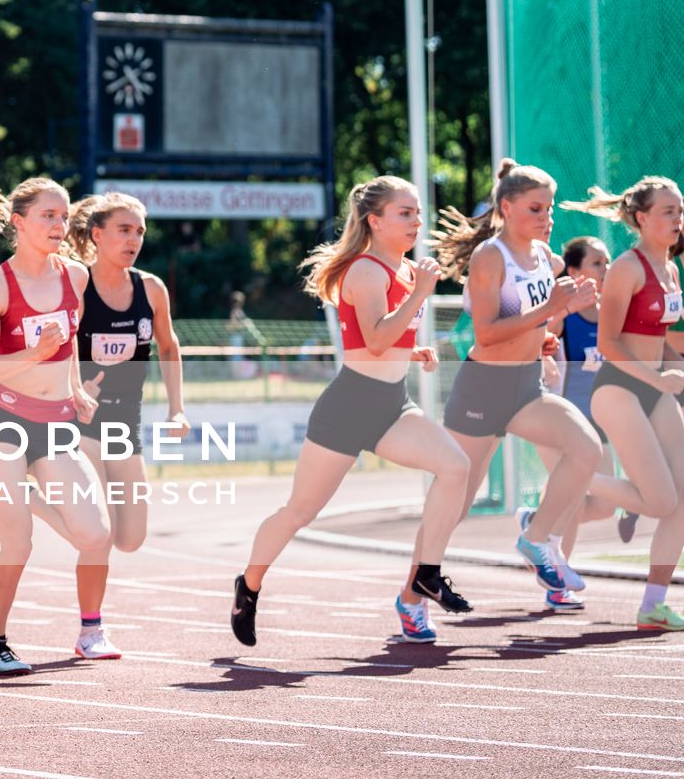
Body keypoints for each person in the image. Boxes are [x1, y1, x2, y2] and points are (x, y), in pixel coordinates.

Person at [231, 176, 472, 648]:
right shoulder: (367, 271)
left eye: (418, 212)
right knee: (300, 511)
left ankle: (426, 573)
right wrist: (422, 294)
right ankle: (249, 586)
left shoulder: (402, 270)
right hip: (348, 407)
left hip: (391, 405)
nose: (416, 221)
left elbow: (386, 341)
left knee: (455, 467)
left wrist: (414, 350)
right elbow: (377, 337)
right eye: (405, 213)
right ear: (374, 221)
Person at [429, 161, 605, 597]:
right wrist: (550, 311)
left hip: (528, 385)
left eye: (549, 209)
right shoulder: (491, 256)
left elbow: (536, 323)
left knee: (586, 449)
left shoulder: (547, 257)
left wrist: (551, 328)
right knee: (458, 499)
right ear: (506, 207)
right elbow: (487, 333)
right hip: (485, 386)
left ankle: (536, 537)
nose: (547, 218)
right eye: (535, 209)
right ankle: (414, 594)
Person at [0, 176, 110, 673]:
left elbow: (67, 347)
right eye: (48, 216)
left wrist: (76, 387)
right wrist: (32, 353)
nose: (59, 225)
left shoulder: (76, 277)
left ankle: (25, 504)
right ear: (18, 222)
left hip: (56, 421)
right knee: (17, 542)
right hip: (2, 418)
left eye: (65, 216)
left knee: (94, 534)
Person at [58, 191, 188, 660]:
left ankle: (30, 501)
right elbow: (56, 346)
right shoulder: (75, 285)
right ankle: (91, 630)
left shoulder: (151, 288)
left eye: (140, 231)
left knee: (130, 538)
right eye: (124, 230)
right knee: (100, 535)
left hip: (125, 423)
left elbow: (169, 348)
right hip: (81, 423)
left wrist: (176, 409)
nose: (134, 239)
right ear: (97, 235)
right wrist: (73, 387)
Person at [560, 178, 684, 630]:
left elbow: (663, 343)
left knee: (681, 501)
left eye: (680, 210)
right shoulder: (628, 269)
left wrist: (674, 367)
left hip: (655, 388)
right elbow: (610, 344)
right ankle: (572, 483)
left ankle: (653, 604)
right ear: (642, 218)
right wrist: (657, 376)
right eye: (668, 211)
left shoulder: (670, 269)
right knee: (659, 499)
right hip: (618, 389)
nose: (677, 219)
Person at [540, 235, 617, 603]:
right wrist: (567, 310)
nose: (606, 270)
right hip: (565, 422)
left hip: (603, 422)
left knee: (604, 505)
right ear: (573, 272)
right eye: (597, 264)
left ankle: (536, 522)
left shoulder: (614, 312)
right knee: (569, 501)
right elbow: (544, 334)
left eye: (608, 262)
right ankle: (557, 584)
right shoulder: (563, 315)